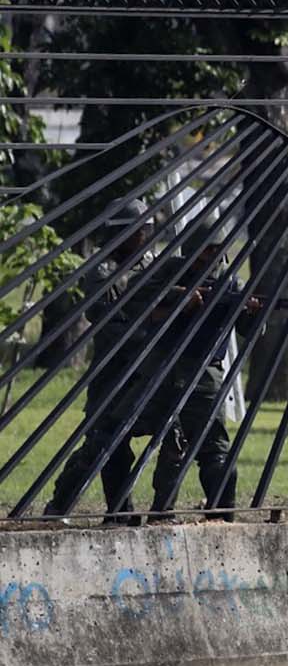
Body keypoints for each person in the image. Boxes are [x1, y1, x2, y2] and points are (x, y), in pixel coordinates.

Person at [44, 201, 164, 525]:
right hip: (113, 369)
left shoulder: (151, 264)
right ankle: (61, 505)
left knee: (141, 435)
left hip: (146, 368)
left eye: (146, 230)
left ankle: (122, 510)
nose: (144, 236)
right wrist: (146, 331)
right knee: (103, 440)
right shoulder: (102, 269)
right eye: (139, 231)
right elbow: (106, 321)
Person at [147, 239, 263, 520]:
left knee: (214, 448)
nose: (216, 253)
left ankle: (221, 513)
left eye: (219, 247)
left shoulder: (231, 282)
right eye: (209, 246)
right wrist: (184, 305)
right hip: (165, 369)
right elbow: (149, 316)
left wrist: (251, 312)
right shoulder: (170, 276)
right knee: (173, 443)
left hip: (205, 372)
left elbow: (250, 331)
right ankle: (162, 513)